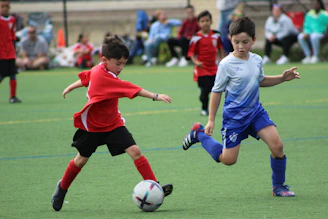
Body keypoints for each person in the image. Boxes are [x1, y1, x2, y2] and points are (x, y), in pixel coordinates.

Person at [51, 35, 173, 211]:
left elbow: (87, 78)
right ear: (104, 60)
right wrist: (156, 96)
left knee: (135, 151)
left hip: (113, 124)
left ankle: (155, 186)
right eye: (118, 63)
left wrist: (71, 86)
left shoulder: (102, 70)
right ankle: (62, 188)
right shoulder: (104, 77)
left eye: (124, 63)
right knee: (80, 161)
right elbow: (131, 88)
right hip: (93, 127)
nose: (121, 67)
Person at [182, 17, 300, 197]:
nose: (240, 46)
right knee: (228, 160)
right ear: (230, 39)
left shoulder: (257, 60)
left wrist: (282, 78)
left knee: (277, 146)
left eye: (245, 42)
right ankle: (199, 134)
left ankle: (278, 187)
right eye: (236, 42)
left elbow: (260, 81)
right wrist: (211, 120)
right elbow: (216, 91)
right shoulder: (226, 64)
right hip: (234, 118)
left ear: (254, 40)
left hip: (256, 113)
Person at [188, 10, 224, 116]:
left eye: (207, 20)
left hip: (214, 67)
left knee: (215, 89)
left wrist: (221, 59)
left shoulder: (216, 35)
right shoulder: (196, 37)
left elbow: (220, 47)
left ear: (211, 21)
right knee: (205, 90)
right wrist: (196, 62)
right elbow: (190, 53)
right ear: (199, 23)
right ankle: (204, 108)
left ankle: (213, 109)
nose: (205, 23)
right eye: (202, 21)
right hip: (202, 68)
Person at [0, 0, 21, 103]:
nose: (4, 8)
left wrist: (15, 44)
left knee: (13, 74)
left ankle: (13, 97)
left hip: (10, 52)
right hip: (1, 52)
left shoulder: (12, 20)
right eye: (2, 6)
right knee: (2, 75)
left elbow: (12, 35)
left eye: (6, 6)